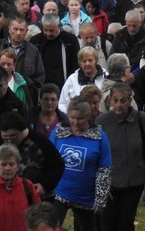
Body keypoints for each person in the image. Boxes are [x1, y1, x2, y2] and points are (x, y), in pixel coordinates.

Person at [95, 83, 145, 231]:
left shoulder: (142, 118)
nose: (119, 104)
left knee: (126, 221)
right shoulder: (102, 122)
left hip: (134, 179)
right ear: (110, 101)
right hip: (110, 181)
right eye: (115, 100)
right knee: (108, 221)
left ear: (130, 100)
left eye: (123, 100)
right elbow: (96, 152)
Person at [50, 96, 111, 230]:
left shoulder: (100, 137)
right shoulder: (59, 132)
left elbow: (104, 169)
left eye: (80, 118)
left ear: (88, 116)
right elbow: (49, 160)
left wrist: (101, 198)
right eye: (72, 117)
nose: (75, 122)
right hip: (60, 192)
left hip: (85, 195)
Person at [59, 47, 106, 113]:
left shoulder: (106, 77)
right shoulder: (72, 80)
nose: (87, 64)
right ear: (80, 63)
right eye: (84, 61)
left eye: (90, 60)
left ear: (96, 61)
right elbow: (62, 105)